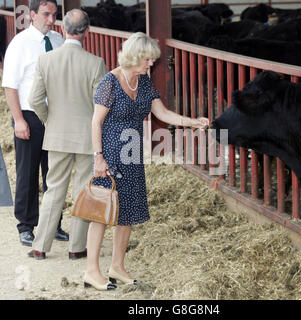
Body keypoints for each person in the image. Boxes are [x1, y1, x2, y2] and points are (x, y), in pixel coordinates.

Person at [86, 32, 210, 291]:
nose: (150, 64)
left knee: (127, 212)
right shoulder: (110, 82)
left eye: (152, 60)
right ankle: (91, 271)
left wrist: (192, 122)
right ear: (133, 56)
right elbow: (96, 122)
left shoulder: (143, 83)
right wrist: (98, 157)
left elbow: (162, 113)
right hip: (108, 155)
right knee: (100, 212)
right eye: (147, 59)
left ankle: (117, 267)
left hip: (132, 155)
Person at [27, 9, 107, 262]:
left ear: (63, 29)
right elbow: (102, 105)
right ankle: (77, 247)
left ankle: (40, 246)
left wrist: (49, 119)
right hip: (87, 137)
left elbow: (34, 99)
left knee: (53, 189)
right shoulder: (96, 63)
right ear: (88, 31)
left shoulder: (46, 60)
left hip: (57, 134)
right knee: (84, 190)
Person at [1, 0, 68, 247]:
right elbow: (10, 85)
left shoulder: (59, 41)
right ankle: (26, 225)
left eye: (54, 15)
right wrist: (19, 119)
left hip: (56, 116)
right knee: (27, 172)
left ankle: (53, 224)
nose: (51, 19)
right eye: (46, 14)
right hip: (29, 115)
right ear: (32, 15)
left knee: (55, 173)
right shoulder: (19, 44)